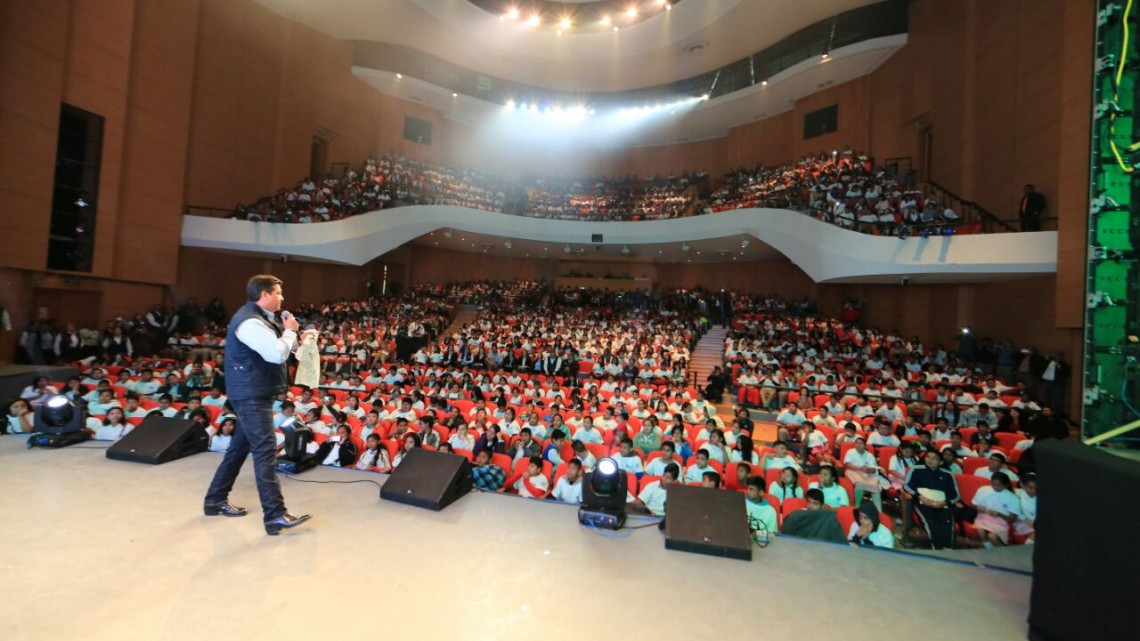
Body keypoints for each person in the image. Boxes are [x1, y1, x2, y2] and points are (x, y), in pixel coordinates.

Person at [203, 274, 312, 535]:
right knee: (265, 451)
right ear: (264, 295)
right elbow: (275, 354)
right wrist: (290, 331)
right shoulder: (250, 321)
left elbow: (281, 350)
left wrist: (298, 339)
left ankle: (214, 500)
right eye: (278, 293)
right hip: (252, 395)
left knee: (238, 450)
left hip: (252, 392)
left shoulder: (261, 319)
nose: (282, 298)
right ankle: (275, 515)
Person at [902, 449, 960, 549]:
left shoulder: (948, 474)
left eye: (934, 458)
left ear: (941, 462)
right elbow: (906, 486)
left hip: (942, 505)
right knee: (932, 524)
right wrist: (919, 496)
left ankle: (948, 550)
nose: (930, 460)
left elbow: (956, 495)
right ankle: (936, 549)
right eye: (928, 457)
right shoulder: (916, 469)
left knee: (946, 526)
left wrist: (944, 502)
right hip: (923, 503)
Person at [969, 471, 1020, 547]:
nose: (995, 487)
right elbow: (973, 505)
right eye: (993, 484)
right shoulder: (983, 490)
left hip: (1000, 522)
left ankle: (1002, 552)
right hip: (983, 518)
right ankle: (988, 546)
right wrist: (977, 507)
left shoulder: (1012, 497)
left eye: (999, 486)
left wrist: (1000, 514)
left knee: (992, 536)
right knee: (980, 529)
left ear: (1006, 485)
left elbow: (1013, 519)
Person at [1014, 473, 1037, 543]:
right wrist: (1025, 519)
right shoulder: (1018, 494)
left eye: (1036, 488)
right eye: (1030, 488)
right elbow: (1015, 512)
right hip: (1024, 522)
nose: (1034, 491)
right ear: (1023, 486)